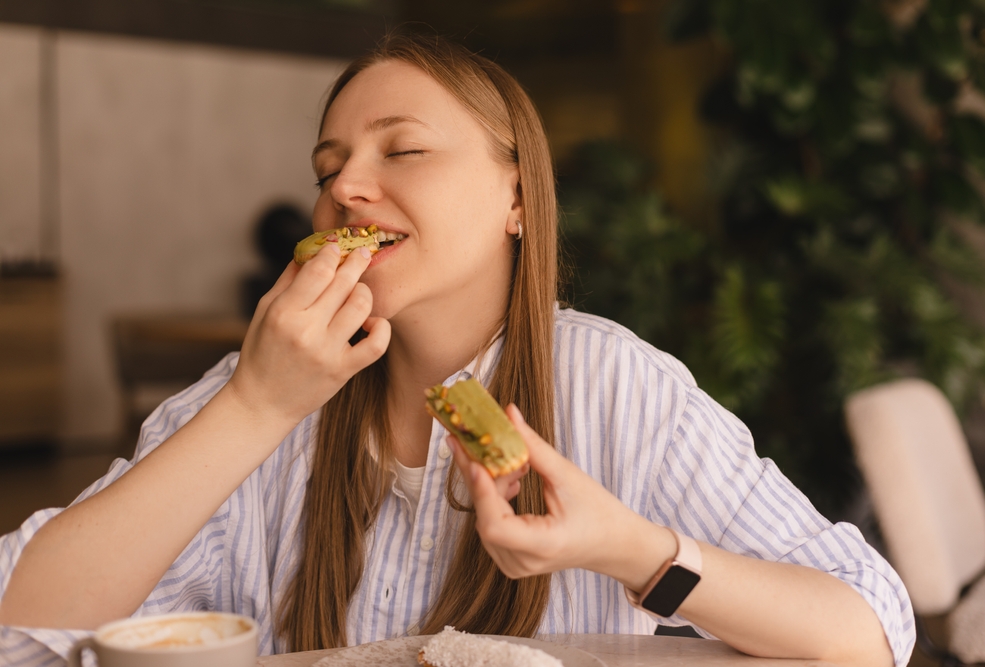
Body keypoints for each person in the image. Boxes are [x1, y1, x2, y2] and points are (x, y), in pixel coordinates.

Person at [0, 33, 914, 667]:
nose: (348, 187)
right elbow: (17, 631)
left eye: (403, 151)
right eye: (327, 169)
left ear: (517, 197)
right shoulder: (254, 398)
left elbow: (869, 630)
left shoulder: (615, 384)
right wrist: (254, 406)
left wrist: (630, 548)